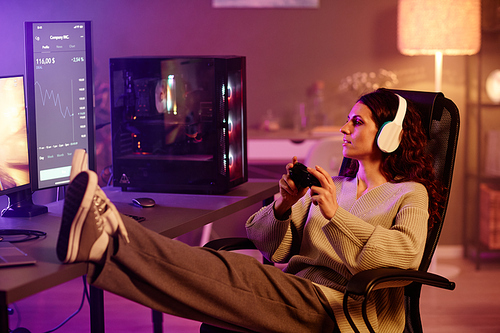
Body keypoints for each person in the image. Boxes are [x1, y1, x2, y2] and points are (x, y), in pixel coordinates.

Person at [56, 88, 444, 333]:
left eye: (356, 121)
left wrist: (335, 217)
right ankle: (102, 245)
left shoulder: (410, 195)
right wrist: (283, 205)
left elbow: (405, 258)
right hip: (296, 291)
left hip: (342, 309)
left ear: (389, 133)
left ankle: (109, 231)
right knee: (202, 284)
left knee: (227, 273)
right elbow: (269, 246)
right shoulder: (333, 186)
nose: (343, 128)